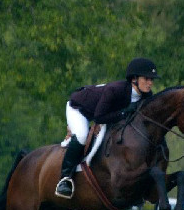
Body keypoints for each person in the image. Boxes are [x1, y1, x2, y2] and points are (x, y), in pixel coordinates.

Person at [55, 57, 160, 199]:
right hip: (80, 108)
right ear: (134, 79)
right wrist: (124, 113)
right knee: (81, 135)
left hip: (104, 114)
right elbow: (99, 118)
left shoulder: (147, 96)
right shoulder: (115, 90)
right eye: (147, 79)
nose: (150, 83)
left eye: (152, 79)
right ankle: (65, 179)